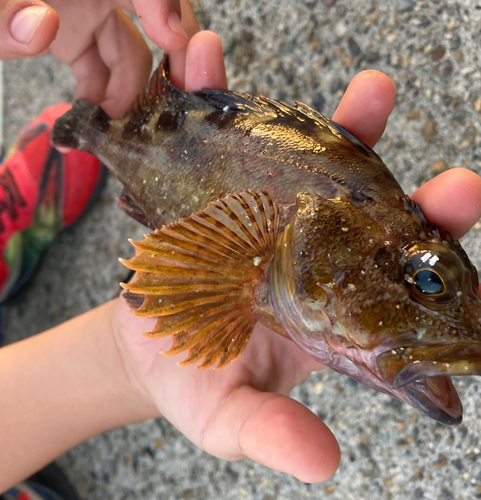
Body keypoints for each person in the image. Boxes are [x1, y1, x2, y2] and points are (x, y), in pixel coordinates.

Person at [1, 0, 481, 497]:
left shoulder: (313, 244)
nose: (430, 298)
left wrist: (132, 361)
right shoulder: (290, 242)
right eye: (428, 281)